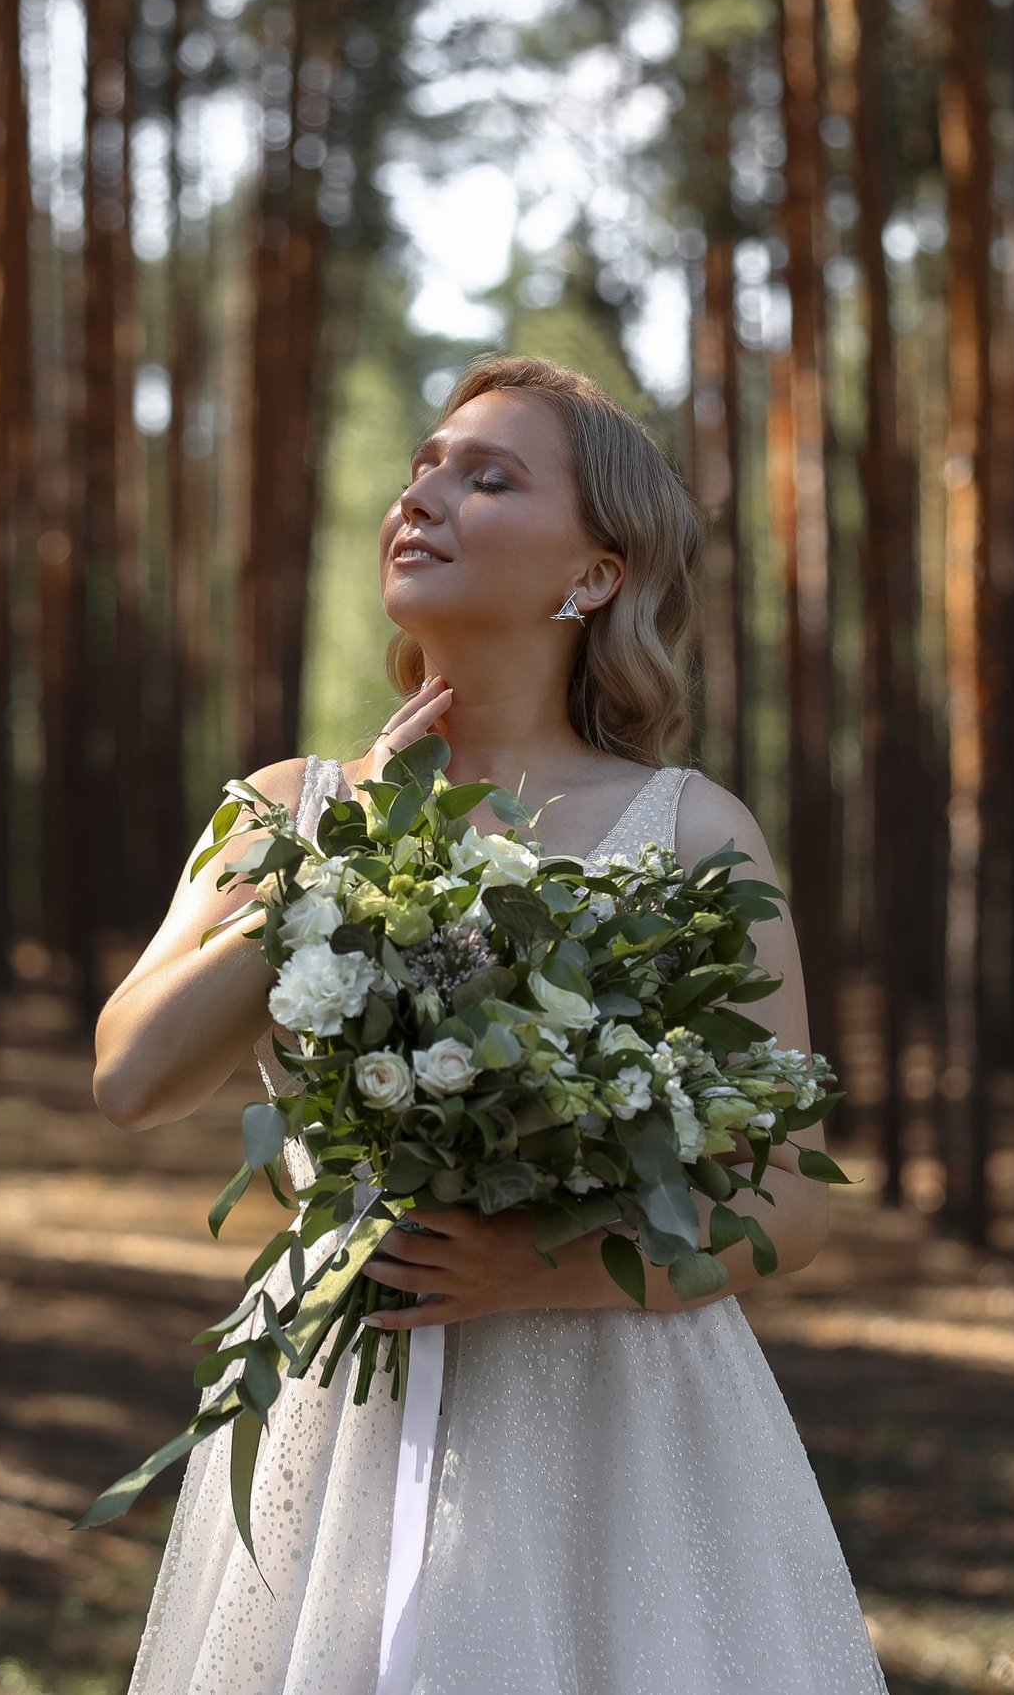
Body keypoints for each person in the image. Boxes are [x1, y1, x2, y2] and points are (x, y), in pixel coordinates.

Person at [89, 356, 888, 1695]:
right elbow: (134, 1075)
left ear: (594, 574)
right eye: (424, 466)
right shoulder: (287, 807)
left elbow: (791, 1201)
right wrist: (336, 853)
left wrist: (541, 1273)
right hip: (348, 1406)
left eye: (490, 475)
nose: (425, 495)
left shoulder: (691, 833)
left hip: (617, 1420)